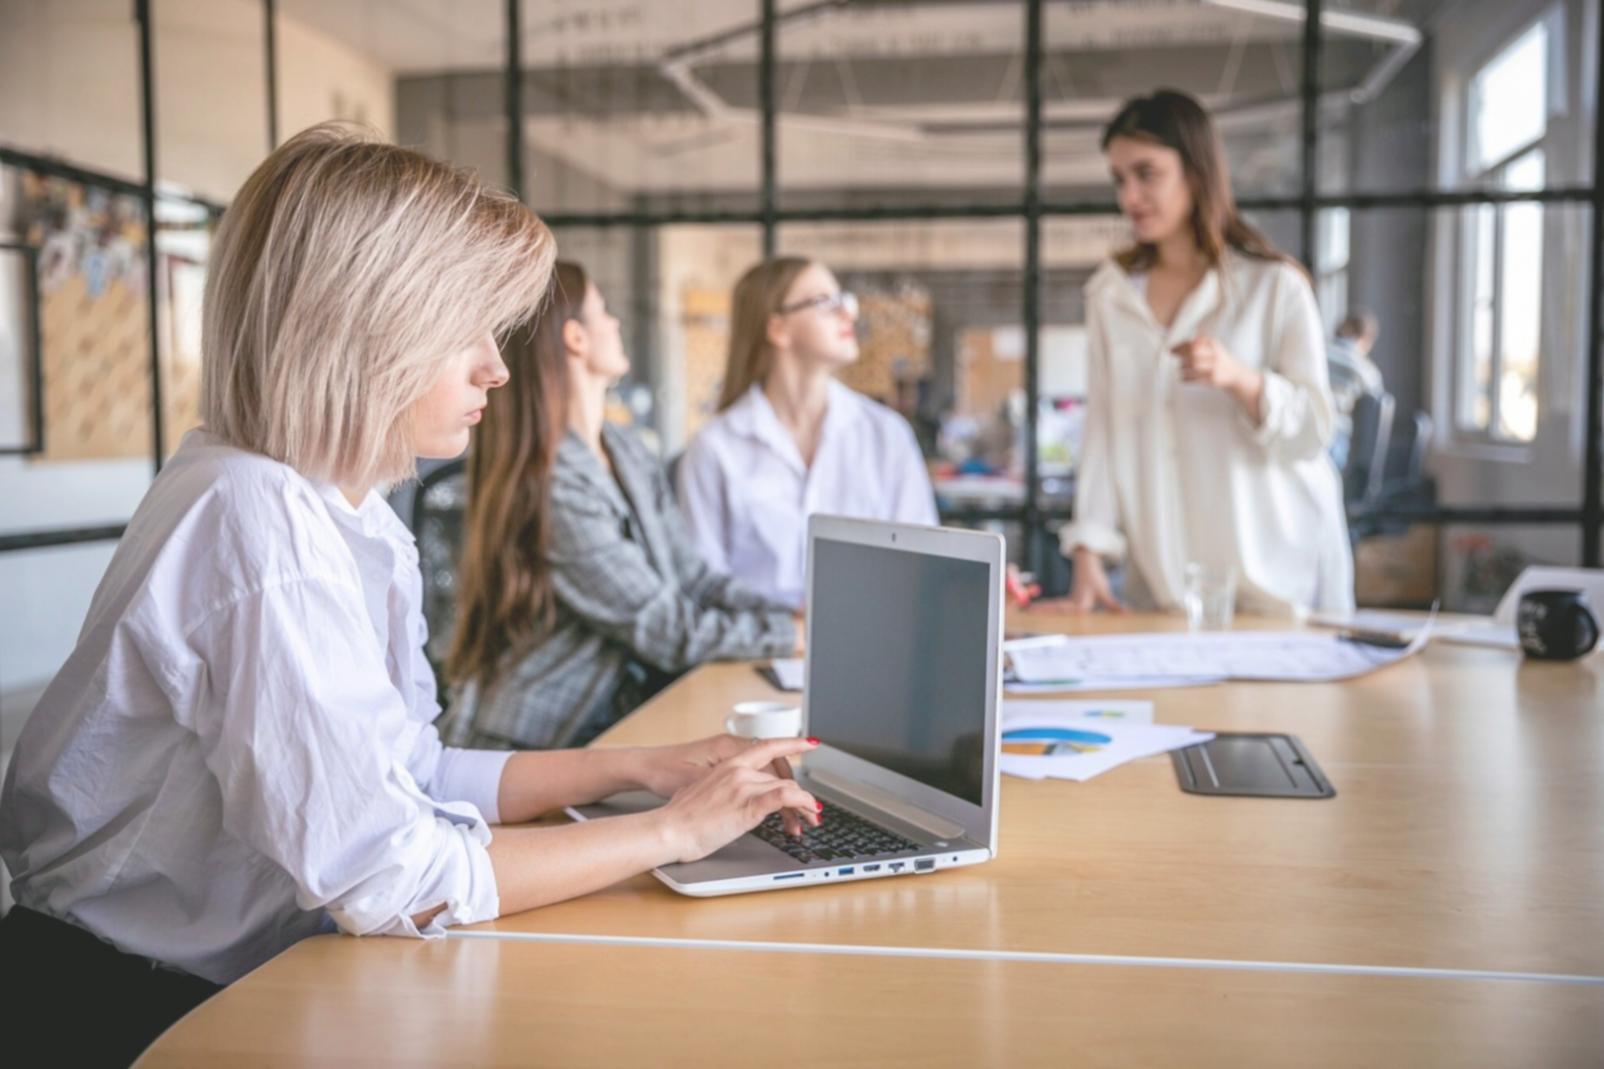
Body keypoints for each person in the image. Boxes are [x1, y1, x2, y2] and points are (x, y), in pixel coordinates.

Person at [0, 126, 820, 1067]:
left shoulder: (337, 507)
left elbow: (412, 778)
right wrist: (674, 832)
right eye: (461, 330)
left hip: (210, 982)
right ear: (368, 326)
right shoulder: (259, 521)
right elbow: (394, 876)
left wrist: (645, 767)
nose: (496, 368)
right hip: (123, 1012)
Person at [443, 261, 799, 751]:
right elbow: (665, 630)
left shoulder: (623, 448)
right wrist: (788, 634)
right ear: (576, 338)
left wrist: (791, 613)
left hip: (616, 717)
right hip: (539, 738)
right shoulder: (552, 482)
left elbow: (693, 577)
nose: (615, 323)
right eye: (603, 311)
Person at [1046, 89, 1354, 617]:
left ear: (1196, 170)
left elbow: (1314, 431)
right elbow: (1103, 427)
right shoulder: (1110, 295)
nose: (1130, 197)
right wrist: (1088, 551)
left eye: (1147, 174)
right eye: (1119, 179)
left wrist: (1241, 379)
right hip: (1169, 579)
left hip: (1277, 575)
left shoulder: (1275, 286)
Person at [677, 257, 938, 609]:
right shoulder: (714, 448)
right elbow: (701, 584)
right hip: (755, 650)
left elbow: (922, 561)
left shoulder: (886, 434)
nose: (848, 313)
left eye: (843, 300)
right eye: (824, 302)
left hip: (870, 643)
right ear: (778, 329)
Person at [1326, 310, 1385, 471]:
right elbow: (1377, 404)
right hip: (1336, 436)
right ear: (1366, 339)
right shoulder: (1366, 370)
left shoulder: (1317, 351)